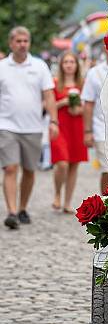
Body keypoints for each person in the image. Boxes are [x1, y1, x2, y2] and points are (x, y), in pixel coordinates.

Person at [0, 26, 58, 229]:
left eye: (25, 41)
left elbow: (49, 95)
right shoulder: (2, 67)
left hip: (32, 126)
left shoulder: (40, 66)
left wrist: (53, 120)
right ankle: (12, 212)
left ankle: (23, 207)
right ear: (11, 43)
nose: (22, 44)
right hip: (6, 126)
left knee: (29, 171)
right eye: (19, 41)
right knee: (10, 167)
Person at [50, 51, 88, 213]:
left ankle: (67, 202)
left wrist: (79, 109)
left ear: (76, 65)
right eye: (66, 62)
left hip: (77, 127)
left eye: (72, 62)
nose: (69, 65)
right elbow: (48, 106)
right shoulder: (55, 83)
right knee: (62, 163)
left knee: (73, 165)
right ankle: (57, 193)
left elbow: (88, 107)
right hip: (60, 127)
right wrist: (62, 102)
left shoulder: (82, 84)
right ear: (61, 65)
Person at [82, 42, 108, 193]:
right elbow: (88, 103)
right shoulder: (94, 73)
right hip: (102, 129)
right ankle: (107, 203)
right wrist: (87, 131)